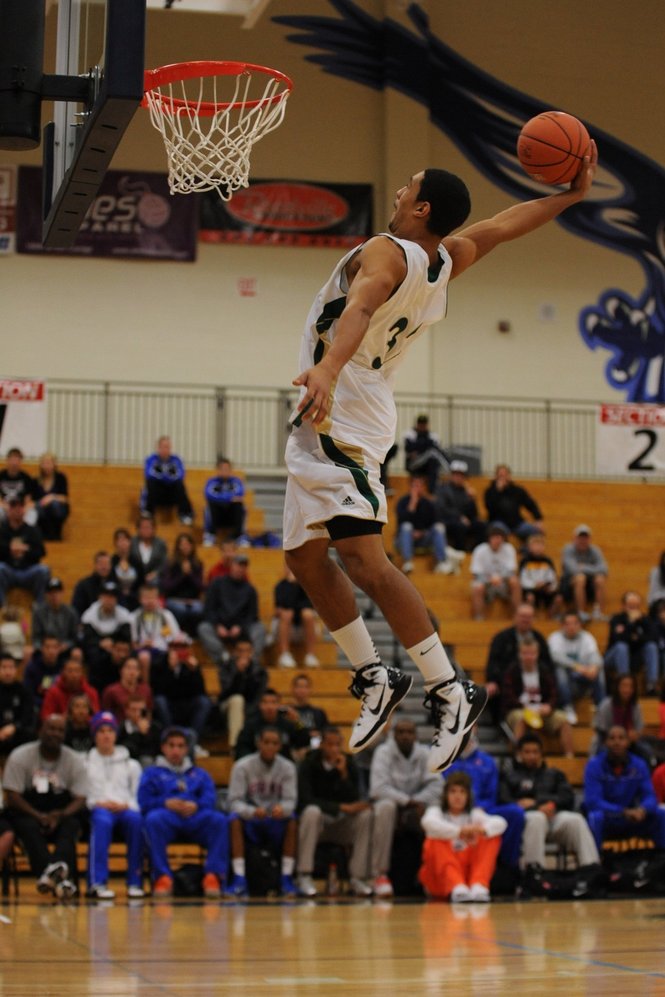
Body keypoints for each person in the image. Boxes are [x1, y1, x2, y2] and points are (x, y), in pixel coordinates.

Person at [283, 157, 596, 774]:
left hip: (342, 403)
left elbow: (361, 309)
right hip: (352, 401)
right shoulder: (445, 259)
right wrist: (569, 195)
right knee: (303, 555)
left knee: (365, 560)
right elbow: (506, 224)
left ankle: (449, 689)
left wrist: (326, 367)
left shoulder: (386, 250)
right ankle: (374, 675)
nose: (399, 190)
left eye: (409, 186)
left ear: (420, 209)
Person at [138, 726, 230, 898]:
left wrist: (197, 805)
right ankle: (162, 877)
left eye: (180, 746)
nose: (176, 750)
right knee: (152, 819)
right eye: (171, 745)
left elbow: (210, 798)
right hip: (167, 817)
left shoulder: (200, 773)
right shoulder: (151, 773)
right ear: (163, 747)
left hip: (195, 817)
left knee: (218, 820)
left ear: (187, 749)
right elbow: (144, 802)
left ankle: (213, 876)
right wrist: (165, 802)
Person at [2, 714, 87, 898]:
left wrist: (60, 815)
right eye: (51, 728)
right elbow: (12, 795)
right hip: (28, 810)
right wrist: (37, 815)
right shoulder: (20, 755)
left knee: (71, 826)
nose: (55, 734)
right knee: (28, 827)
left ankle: (49, 877)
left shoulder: (73, 759)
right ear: (40, 730)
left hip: (61, 812)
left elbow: (81, 798)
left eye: (60, 730)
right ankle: (60, 880)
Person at [499, 733, 599, 871]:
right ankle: (534, 872)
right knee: (537, 818)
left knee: (576, 820)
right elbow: (504, 800)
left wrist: (547, 804)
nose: (531, 756)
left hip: (553, 817)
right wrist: (534, 807)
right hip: (526, 820)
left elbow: (568, 797)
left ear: (541, 754)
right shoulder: (510, 776)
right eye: (527, 752)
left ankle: (591, 868)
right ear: (520, 754)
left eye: (535, 752)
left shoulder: (554, 774)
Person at [296, 725, 375, 898]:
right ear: (321, 745)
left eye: (337, 745)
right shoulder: (308, 763)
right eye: (330, 745)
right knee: (311, 811)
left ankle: (358, 878)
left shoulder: (349, 763)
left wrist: (344, 774)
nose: (334, 749)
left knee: (366, 816)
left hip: (341, 824)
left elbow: (356, 797)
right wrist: (340, 807)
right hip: (318, 824)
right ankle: (304, 875)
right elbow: (304, 799)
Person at [369, 718, 442, 897]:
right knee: (386, 807)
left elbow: (438, 786)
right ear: (393, 735)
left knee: (435, 809)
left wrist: (418, 801)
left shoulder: (425, 753)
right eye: (400, 732)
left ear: (416, 736)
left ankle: (432, 874)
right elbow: (378, 789)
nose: (405, 736)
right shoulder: (383, 752)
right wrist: (406, 801)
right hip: (392, 805)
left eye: (409, 732)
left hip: (417, 805)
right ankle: (380, 874)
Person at [226, 726, 298, 897]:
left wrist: (283, 809)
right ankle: (239, 877)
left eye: (274, 743)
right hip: (251, 819)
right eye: (266, 742)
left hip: (275, 819)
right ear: (258, 744)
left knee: (293, 820)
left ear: (280, 746)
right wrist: (251, 811)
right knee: (233, 819)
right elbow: (234, 801)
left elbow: (291, 801)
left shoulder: (288, 767)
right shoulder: (242, 766)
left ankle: (286, 878)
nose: (270, 747)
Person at [446, 728, 525, 875]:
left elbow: (491, 795)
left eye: (471, 725)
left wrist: (480, 808)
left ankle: (508, 867)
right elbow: (441, 791)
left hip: (482, 809)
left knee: (515, 813)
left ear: (475, 729)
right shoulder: (444, 758)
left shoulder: (487, 762)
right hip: (452, 809)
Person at [418, 770, 506, 902]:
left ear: (468, 795)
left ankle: (479, 885)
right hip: (439, 878)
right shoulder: (436, 812)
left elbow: (501, 823)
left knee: (491, 837)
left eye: (462, 792)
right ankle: (455, 886)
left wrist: (482, 830)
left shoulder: (474, 814)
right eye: (453, 791)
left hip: (467, 875)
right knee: (434, 839)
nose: (457, 796)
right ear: (445, 795)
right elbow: (428, 823)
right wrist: (460, 832)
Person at [85, 710, 145, 899]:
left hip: (125, 808)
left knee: (136, 821)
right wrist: (97, 803)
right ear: (95, 735)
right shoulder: (85, 763)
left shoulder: (131, 764)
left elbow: (138, 794)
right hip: (99, 807)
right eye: (101, 731)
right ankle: (97, 882)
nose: (106, 735)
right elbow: (82, 794)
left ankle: (135, 882)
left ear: (115, 734)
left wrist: (128, 805)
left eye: (109, 731)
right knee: (101, 822)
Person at [583, 724, 665, 852]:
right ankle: (595, 864)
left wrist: (643, 809)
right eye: (612, 738)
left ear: (628, 742)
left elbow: (650, 795)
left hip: (635, 817)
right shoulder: (594, 765)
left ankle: (660, 860)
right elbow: (593, 801)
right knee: (595, 817)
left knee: (661, 814)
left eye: (621, 738)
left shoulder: (639, 764)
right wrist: (622, 811)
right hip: (610, 818)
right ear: (605, 742)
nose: (617, 742)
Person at [500, 637, 574, 758]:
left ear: (537, 654)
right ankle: (518, 757)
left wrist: (549, 706)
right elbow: (508, 697)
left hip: (542, 711)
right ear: (519, 654)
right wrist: (524, 707)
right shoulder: (512, 671)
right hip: (519, 710)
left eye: (532, 653)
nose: (529, 657)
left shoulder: (545, 671)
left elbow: (554, 694)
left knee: (564, 720)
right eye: (525, 653)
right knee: (521, 719)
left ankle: (569, 758)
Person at [485, 602, 552, 717]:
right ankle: (501, 725)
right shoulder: (501, 638)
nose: (525, 620)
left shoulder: (539, 639)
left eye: (529, 617)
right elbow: (492, 663)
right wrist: (492, 680)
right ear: (515, 617)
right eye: (522, 616)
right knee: (494, 690)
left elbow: (548, 666)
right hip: (506, 683)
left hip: (534, 686)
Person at [198, 554, 266, 664]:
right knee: (203, 628)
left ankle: (252, 660)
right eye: (238, 565)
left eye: (243, 566)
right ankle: (223, 658)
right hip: (219, 627)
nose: (240, 568)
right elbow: (209, 608)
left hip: (241, 629)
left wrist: (240, 627)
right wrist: (217, 625)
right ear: (231, 566)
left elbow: (252, 615)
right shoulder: (217, 583)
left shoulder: (250, 589)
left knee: (260, 629)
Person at [394, 474, 463, 575]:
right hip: (404, 539)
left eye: (420, 485)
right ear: (410, 487)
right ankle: (407, 562)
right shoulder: (402, 502)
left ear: (423, 487)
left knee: (439, 527)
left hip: (424, 538)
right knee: (406, 527)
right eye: (415, 485)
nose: (417, 488)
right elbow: (401, 522)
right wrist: (413, 503)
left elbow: (435, 522)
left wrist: (422, 533)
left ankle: (442, 562)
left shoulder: (429, 504)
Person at [150, 642, 211, 755]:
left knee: (204, 702)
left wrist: (195, 671)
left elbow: (201, 692)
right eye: (176, 648)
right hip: (168, 707)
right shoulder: (160, 663)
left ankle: (192, 742)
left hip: (187, 706)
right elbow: (157, 690)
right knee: (160, 701)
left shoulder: (191, 665)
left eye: (182, 648)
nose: (179, 652)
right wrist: (170, 670)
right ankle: (170, 739)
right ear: (169, 650)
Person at [548, 611, 605, 724]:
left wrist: (594, 667)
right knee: (560, 670)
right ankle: (567, 706)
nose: (572, 627)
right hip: (564, 682)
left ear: (580, 625)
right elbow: (556, 657)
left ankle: (600, 708)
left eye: (575, 623)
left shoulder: (587, 637)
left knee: (598, 670)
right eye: (568, 624)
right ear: (562, 625)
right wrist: (577, 667)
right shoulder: (555, 638)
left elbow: (595, 655)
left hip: (582, 678)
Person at [604, 590, 660, 697]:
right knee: (622, 647)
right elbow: (618, 639)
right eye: (630, 606)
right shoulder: (616, 619)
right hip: (614, 656)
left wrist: (634, 636)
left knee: (651, 647)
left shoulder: (645, 620)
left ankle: (651, 684)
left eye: (636, 606)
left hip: (636, 657)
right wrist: (631, 624)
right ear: (624, 606)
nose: (633, 610)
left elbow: (653, 638)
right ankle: (623, 684)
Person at [218, 635, 267, 752]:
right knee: (237, 700)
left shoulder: (260, 670)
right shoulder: (226, 667)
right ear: (234, 652)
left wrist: (247, 711)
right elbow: (226, 692)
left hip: (250, 709)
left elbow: (259, 696)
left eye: (247, 651)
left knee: (267, 705)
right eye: (240, 651)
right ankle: (235, 746)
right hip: (227, 706)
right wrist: (238, 674)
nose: (244, 654)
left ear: (252, 652)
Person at [0, 495, 50, 606]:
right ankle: (2, 607)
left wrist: (26, 551)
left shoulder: (33, 530)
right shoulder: (2, 530)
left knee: (43, 570)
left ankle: (39, 607)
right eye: (14, 506)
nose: (17, 509)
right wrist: (10, 549)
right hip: (8, 570)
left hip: (28, 570)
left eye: (20, 506)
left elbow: (41, 552)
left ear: (24, 509)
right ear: (9, 510)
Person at [234, 687, 307, 762]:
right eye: (265, 702)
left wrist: (298, 722)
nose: (269, 706)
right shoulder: (250, 725)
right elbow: (241, 749)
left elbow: (304, 741)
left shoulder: (287, 724)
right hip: (256, 768)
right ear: (260, 705)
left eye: (273, 702)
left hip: (283, 767)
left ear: (279, 705)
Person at [469, 522, 521, 621]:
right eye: (495, 537)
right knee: (477, 587)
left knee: (515, 581)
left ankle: (516, 615)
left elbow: (511, 570)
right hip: (486, 583)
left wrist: (500, 578)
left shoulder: (509, 549)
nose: (498, 540)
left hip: (503, 583)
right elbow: (476, 573)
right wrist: (490, 579)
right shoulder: (480, 550)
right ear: (489, 538)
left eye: (501, 537)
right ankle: (478, 617)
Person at [273, 564, 320, 668]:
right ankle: (284, 654)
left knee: (308, 614)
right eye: (289, 568)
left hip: (303, 627)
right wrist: (291, 586)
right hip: (285, 627)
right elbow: (281, 608)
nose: (291, 571)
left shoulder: (306, 587)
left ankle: (310, 655)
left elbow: (308, 606)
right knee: (287, 614)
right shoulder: (280, 587)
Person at [591, 673, 649, 759]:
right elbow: (601, 731)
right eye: (624, 686)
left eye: (630, 687)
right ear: (617, 687)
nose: (627, 690)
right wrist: (617, 739)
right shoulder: (606, 705)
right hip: (606, 742)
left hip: (629, 743)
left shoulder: (635, 706)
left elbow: (638, 730)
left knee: (646, 751)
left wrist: (634, 735)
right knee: (601, 752)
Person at [140, 435, 194, 525]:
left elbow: (181, 475)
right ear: (158, 448)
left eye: (168, 447)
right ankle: (148, 511)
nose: (166, 449)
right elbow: (148, 474)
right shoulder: (151, 459)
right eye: (163, 447)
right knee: (150, 483)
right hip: (157, 493)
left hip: (171, 493)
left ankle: (185, 514)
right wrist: (166, 477)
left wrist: (164, 478)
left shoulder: (176, 460)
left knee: (180, 485)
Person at [560, 525, 608, 622]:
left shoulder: (595, 550)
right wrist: (592, 569)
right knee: (580, 578)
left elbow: (604, 569)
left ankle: (599, 613)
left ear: (589, 539)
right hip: (568, 585)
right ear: (574, 538)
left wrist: (582, 567)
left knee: (600, 579)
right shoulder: (568, 549)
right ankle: (580, 613)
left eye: (585, 538)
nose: (583, 540)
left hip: (589, 584)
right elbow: (572, 569)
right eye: (580, 538)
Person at [434, 459, 485, 552]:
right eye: (456, 474)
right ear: (451, 475)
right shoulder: (443, 489)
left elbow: (473, 514)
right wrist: (459, 517)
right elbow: (442, 508)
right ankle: (460, 551)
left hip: (465, 521)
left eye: (461, 475)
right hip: (449, 521)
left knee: (481, 526)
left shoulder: (466, 491)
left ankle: (474, 551)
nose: (458, 477)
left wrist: (472, 499)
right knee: (460, 527)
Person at [159, 532, 204, 637]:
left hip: (193, 600)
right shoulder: (170, 563)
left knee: (198, 610)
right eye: (182, 544)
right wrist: (182, 575)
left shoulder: (198, 563)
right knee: (180, 610)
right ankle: (176, 635)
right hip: (174, 599)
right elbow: (167, 587)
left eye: (187, 544)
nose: (185, 547)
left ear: (192, 546)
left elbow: (200, 587)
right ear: (178, 547)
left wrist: (190, 574)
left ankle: (193, 637)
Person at [483, 464, 543, 541]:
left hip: (517, 523)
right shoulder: (490, 492)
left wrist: (538, 519)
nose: (503, 478)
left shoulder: (517, 490)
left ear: (509, 476)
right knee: (499, 531)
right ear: (496, 477)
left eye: (505, 475)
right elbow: (490, 508)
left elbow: (530, 504)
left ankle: (525, 551)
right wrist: (497, 491)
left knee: (535, 531)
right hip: (498, 522)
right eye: (500, 475)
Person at [80, 580, 132, 668]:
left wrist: (113, 642)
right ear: (100, 597)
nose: (109, 600)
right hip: (97, 647)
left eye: (112, 597)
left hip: (117, 646)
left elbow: (126, 636)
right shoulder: (89, 615)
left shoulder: (124, 615)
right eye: (106, 596)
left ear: (116, 599)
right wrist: (100, 643)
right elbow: (87, 638)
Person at [40, 656, 100, 721]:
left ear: (82, 673)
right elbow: (45, 716)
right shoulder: (53, 692)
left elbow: (97, 717)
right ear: (63, 672)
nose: (74, 675)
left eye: (77, 671)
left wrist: (81, 718)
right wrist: (64, 718)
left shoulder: (91, 692)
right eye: (70, 671)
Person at [203, 457, 246, 546]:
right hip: (218, 515)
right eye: (222, 469)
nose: (225, 471)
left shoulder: (236, 481)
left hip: (231, 515)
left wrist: (220, 497)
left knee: (239, 505)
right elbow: (209, 495)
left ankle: (239, 536)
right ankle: (210, 534)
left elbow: (240, 493)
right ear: (217, 470)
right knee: (210, 505)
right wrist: (229, 498)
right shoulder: (212, 482)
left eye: (227, 469)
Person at [518, 532, 562, 616]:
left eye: (540, 545)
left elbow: (553, 578)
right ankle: (531, 617)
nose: (538, 548)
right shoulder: (525, 561)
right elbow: (523, 579)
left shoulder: (547, 561)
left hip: (545, 588)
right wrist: (534, 585)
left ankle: (550, 618)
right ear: (530, 547)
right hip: (530, 589)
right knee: (530, 597)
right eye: (535, 545)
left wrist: (550, 587)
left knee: (558, 598)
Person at [31, 577, 78, 655]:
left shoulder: (71, 612)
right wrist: (43, 648)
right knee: (28, 652)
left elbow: (75, 637)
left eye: (57, 592)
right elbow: (36, 637)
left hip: (64, 648)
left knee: (77, 653)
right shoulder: (38, 613)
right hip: (44, 649)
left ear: (62, 593)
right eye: (51, 593)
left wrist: (66, 645)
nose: (54, 596)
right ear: (46, 595)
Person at [403, 415, 449, 493]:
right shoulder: (410, 434)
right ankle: (449, 468)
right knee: (432, 452)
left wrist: (419, 446)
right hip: (413, 464)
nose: (422, 426)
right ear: (417, 424)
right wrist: (426, 444)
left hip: (427, 465)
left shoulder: (432, 435)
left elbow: (436, 447)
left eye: (424, 424)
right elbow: (409, 448)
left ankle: (433, 487)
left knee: (433, 458)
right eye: (420, 423)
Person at [0, 652, 34, 755]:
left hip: (18, 731)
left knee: (30, 735)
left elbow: (27, 715)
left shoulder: (24, 690)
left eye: (11, 667)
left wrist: (14, 727)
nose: (7, 671)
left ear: (16, 670)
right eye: (3, 667)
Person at [101, 655, 153, 722]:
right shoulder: (111, 691)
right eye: (128, 668)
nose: (132, 672)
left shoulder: (146, 689)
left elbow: (148, 712)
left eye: (135, 668)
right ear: (121, 670)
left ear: (139, 672)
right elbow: (106, 715)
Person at [117, 695, 162, 768]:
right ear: (127, 711)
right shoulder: (121, 728)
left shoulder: (155, 727)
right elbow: (124, 750)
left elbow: (157, 750)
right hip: (127, 762)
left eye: (141, 710)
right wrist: (139, 734)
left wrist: (146, 735)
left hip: (151, 763)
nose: (138, 713)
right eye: (134, 710)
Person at [23, 634, 64, 711]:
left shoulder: (64, 667)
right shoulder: (32, 667)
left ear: (60, 649)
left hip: (60, 707)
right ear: (42, 648)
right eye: (47, 647)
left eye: (55, 647)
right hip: (39, 706)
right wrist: (46, 704)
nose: (51, 651)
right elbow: (28, 694)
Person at [34, 453, 69, 541]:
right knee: (37, 508)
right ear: (41, 465)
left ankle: (56, 534)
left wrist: (52, 497)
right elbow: (33, 500)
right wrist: (42, 502)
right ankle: (41, 534)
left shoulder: (61, 478)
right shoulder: (36, 480)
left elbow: (65, 498)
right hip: (41, 508)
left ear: (54, 464)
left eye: (49, 463)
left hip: (57, 509)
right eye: (44, 463)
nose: (47, 466)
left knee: (54, 505)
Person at [289, 672, 329, 748]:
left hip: (314, 752)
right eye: (299, 686)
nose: (302, 690)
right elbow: (291, 734)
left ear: (310, 690)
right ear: (292, 689)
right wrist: (308, 734)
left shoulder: (319, 713)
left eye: (305, 687)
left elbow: (325, 733)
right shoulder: (287, 712)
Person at [0, 447, 38, 524]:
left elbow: (29, 500)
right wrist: (6, 507)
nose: (14, 463)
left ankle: (25, 535)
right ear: (7, 460)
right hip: (5, 507)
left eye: (17, 460)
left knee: (32, 514)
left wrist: (23, 510)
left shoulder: (26, 478)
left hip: (21, 508)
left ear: (21, 461)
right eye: (12, 459)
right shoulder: (1, 476)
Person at [71, 550, 114, 617]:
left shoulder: (116, 585)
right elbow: (76, 609)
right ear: (95, 565)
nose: (104, 567)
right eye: (101, 564)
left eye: (107, 564)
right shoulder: (83, 585)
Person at [129, 512, 168, 585]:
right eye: (143, 527)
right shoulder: (132, 542)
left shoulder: (160, 543)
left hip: (154, 577)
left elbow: (164, 563)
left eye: (148, 527)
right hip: (135, 575)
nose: (145, 530)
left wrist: (155, 573)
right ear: (138, 529)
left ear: (154, 529)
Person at [111, 527, 143, 611]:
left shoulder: (136, 561)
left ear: (129, 542)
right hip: (117, 596)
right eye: (119, 540)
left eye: (125, 540)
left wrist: (132, 592)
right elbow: (111, 581)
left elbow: (141, 581)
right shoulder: (112, 561)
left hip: (135, 595)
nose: (123, 543)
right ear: (115, 543)